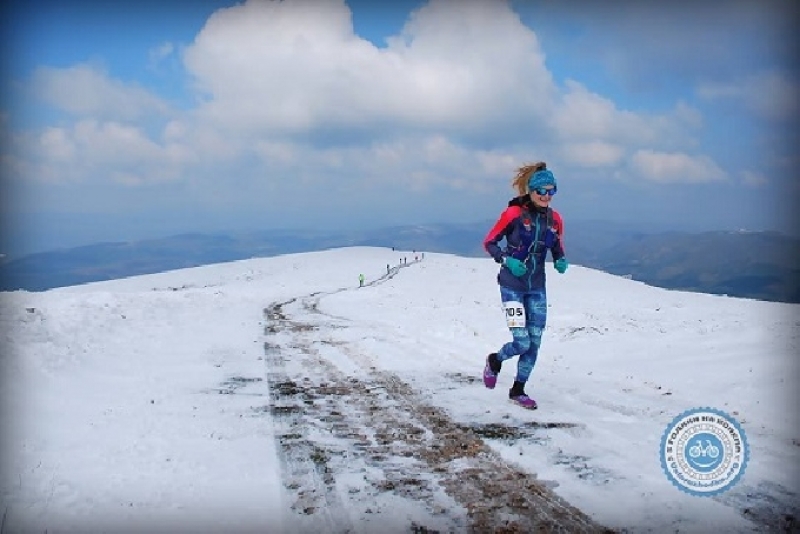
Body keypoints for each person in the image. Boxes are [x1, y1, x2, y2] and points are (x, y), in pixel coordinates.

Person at [481, 162, 569, 409]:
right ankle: (495, 360)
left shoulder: (555, 219)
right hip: (511, 285)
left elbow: (556, 245)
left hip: (537, 287)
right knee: (522, 342)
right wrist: (506, 260)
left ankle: (518, 390)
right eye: (541, 190)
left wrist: (560, 259)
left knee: (535, 342)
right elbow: (489, 242)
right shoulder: (513, 215)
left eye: (551, 191)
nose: (546, 196)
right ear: (531, 190)